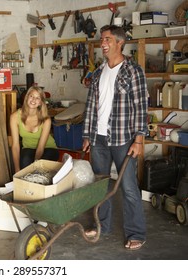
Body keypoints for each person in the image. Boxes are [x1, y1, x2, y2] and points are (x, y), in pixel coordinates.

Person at [82, 25, 148, 250]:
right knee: (100, 186)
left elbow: (141, 107)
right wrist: (87, 135)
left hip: (123, 140)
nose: (103, 43)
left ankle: (136, 233)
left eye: (107, 39)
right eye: (102, 39)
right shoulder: (99, 72)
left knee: (128, 188)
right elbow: (91, 105)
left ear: (120, 42)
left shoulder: (133, 71)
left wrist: (139, 139)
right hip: (98, 138)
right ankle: (102, 226)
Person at [10, 86, 59, 173]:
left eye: (37, 98)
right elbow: (15, 145)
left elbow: (40, 147)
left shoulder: (46, 120)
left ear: (40, 102)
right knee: (25, 163)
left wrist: (36, 166)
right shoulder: (15, 117)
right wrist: (17, 170)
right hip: (28, 148)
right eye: (31, 96)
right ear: (26, 97)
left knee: (41, 168)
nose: (33, 100)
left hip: (48, 148)